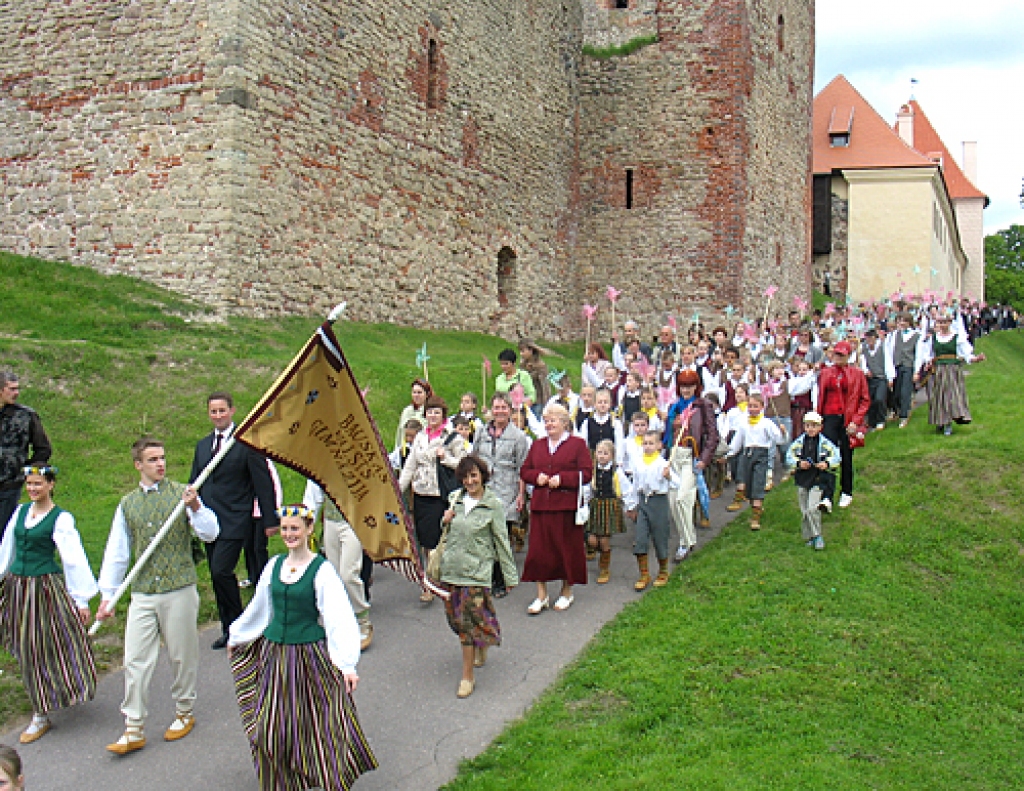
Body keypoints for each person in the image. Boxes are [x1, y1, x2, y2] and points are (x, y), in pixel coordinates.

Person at [228, 505, 377, 790]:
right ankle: (282, 783)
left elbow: (337, 617)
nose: (289, 534)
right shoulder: (274, 565)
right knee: (269, 729)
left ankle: (325, 775)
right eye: (285, 528)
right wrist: (238, 636)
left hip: (308, 658)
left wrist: (346, 664)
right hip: (274, 658)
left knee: (319, 725)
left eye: (294, 528)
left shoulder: (322, 571)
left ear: (309, 529)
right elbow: (260, 607)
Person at [97, 436, 219, 754]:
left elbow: (211, 532)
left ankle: (184, 711)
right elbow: (117, 552)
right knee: (135, 659)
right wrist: (108, 595)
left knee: (182, 655)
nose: (160, 464)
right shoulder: (128, 504)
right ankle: (133, 726)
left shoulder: (183, 494)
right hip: (143, 592)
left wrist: (195, 507)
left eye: (162, 458)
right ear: (138, 465)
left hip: (179, 588)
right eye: (152, 460)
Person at [0, 465, 97, 744]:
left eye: (38, 484)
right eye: (29, 484)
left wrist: (81, 599)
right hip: (17, 588)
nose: (32, 489)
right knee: (24, 647)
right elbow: (7, 548)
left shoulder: (60, 519)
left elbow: (73, 558)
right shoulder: (21, 512)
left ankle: (42, 711)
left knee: (41, 646)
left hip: (42, 589)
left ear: (51, 485)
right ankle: (40, 705)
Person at [191, 392, 279, 650]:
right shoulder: (202, 446)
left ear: (232, 411)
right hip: (209, 520)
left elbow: (263, 482)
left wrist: (270, 519)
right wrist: (193, 512)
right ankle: (229, 628)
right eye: (213, 411)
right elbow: (195, 481)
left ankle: (240, 626)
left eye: (222, 410)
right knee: (217, 575)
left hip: (236, 518)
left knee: (221, 570)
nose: (218, 415)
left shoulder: (245, 443)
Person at [438, 455, 518, 698]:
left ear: (483, 476)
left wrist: (510, 577)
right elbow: (447, 533)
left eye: (474, 475)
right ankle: (480, 642)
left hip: (476, 573)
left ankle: (467, 677)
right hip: (452, 569)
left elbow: (502, 541)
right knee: (455, 620)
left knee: (466, 624)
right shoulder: (455, 499)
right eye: (465, 477)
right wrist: (445, 520)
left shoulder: (492, 505)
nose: (470, 481)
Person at [519, 404, 592, 614]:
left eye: (553, 420)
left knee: (566, 550)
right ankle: (541, 595)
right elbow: (525, 470)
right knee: (538, 552)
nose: (549, 424)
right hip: (541, 506)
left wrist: (563, 479)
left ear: (564, 422)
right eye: (546, 421)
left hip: (566, 507)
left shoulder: (577, 444)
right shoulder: (538, 445)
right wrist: (537, 477)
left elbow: (587, 473)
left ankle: (566, 592)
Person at [399, 396, 467, 602]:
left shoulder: (453, 437)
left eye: (437, 412)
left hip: (441, 495)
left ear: (443, 415)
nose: (433, 416)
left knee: (440, 537)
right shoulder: (420, 437)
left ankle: (442, 577)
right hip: (421, 493)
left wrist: (445, 458)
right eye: (429, 412)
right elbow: (410, 465)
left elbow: (463, 464)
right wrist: (398, 489)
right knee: (424, 539)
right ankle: (428, 581)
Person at [303, 481, 374, 651]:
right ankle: (342, 622)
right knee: (334, 576)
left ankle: (362, 620)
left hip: (354, 522)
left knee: (348, 574)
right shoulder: (323, 467)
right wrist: (306, 523)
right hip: (331, 521)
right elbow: (313, 494)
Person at [472, 392, 530, 590]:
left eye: (504, 407)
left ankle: (501, 578)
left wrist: (521, 494)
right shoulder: (481, 432)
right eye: (496, 407)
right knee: (483, 535)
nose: (500, 412)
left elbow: (522, 468)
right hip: (484, 490)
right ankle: (486, 575)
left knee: (501, 537)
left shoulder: (518, 437)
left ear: (510, 410)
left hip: (507, 491)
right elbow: (474, 458)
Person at [663, 370, 719, 562]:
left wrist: (704, 458)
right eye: (683, 386)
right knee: (673, 502)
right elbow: (667, 434)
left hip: (691, 456)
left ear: (696, 387)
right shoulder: (674, 407)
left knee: (682, 499)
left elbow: (712, 435)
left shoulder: (703, 406)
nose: (686, 390)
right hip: (673, 456)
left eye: (690, 386)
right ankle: (685, 538)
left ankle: (686, 542)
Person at [816, 341, 869, 510]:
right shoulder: (826, 372)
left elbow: (864, 400)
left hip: (847, 418)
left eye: (841, 355)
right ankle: (827, 494)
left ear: (848, 356)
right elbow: (820, 396)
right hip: (829, 417)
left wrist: (856, 420)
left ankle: (846, 491)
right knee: (827, 454)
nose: (837, 357)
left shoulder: (857, 374)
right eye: (836, 354)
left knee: (846, 455)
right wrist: (818, 418)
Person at [0, 372, 52, 540]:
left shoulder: (26, 416)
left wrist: (24, 470)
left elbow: (43, 449)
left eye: (17, 389)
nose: (16, 393)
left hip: (9, 486)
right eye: (11, 389)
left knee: (4, 535)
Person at [625, 431, 678, 590]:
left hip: (658, 502)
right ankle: (644, 574)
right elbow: (635, 486)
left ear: (659, 445)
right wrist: (631, 505)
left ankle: (663, 571)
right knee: (640, 539)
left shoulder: (663, 464)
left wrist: (668, 476)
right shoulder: (638, 463)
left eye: (651, 443)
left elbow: (677, 483)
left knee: (660, 538)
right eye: (645, 443)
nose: (647, 446)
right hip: (643, 502)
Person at [915, 313, 983, 436]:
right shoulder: (933, 338)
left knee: (951, 396)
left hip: (952, 370)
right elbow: (927, 354)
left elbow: (966, 354)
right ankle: (940, 420)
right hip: (938, 370)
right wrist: (928, 362)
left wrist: (976, 359)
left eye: (945, 322)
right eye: (940, 322)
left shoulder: (957, 337)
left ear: (950, 323)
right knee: (938, 397)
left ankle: (948, 423)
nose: (942, 325)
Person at [727, 392, 785, 531]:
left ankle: (755, 518)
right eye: (750, 406)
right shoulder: (744, 423)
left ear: (762, 407)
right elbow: (737, 442)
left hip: (761, 456)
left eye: (755, 406)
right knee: (746, 483)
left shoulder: (766, 423)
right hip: (747, 454)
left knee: (758, 484)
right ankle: (750, 504)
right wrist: (728, 454)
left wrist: (782, 432)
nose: (752, 409)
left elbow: (779, 440)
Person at [785, 412, 841, 551]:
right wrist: (799, 463)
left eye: (814, 426)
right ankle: (809, 536)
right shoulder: (799, 443)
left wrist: (826, 463)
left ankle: (817, 535)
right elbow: (789, 456)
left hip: (818, 479)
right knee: (805, 510)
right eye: (808, 426)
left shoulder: (825, 443)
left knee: (812, 508)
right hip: (802, 479)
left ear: (820, 427)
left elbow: (836, 456)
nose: (811, 429)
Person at [585, 439, 632, 584]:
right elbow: (588, 489)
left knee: (604, 539)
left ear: (612, 455)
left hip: (609, 506)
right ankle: (596, 550)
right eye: (599, 452)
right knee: (592, 539)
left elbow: (627, 489)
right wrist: (584, 502)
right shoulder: (593, 470)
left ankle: (604, 568)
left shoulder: (616, 471)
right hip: (595, 506)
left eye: (606, 453)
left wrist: (629, 506)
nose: (602, 456)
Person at [860, 329, 894, 431]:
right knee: (870, 400)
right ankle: (872, 422)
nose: (869, 341)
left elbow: (888, 362)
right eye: (868, 339)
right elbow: (862, 362)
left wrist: (890, 377)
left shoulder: (883, 347)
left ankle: (881, 420)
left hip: (881, 378)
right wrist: (866, 371)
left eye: (871, 339)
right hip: (870, 379)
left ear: (875, 339)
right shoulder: (863, 348)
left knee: (879, 399)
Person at [394, 378, 432, 451]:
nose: (416, 395)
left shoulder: (430, 412)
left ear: (427, 394)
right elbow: (400, 434)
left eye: (419, 392)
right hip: (404, 451)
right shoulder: (407, 411)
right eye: (414, 392)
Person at [518, 340, 551, 417]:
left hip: (538, 401)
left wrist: (547, 403)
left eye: (523, 351)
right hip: (526, 400)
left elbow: (545, 385)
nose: (521, 354)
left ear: (531, 350)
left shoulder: (540, 365)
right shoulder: (522, 365)